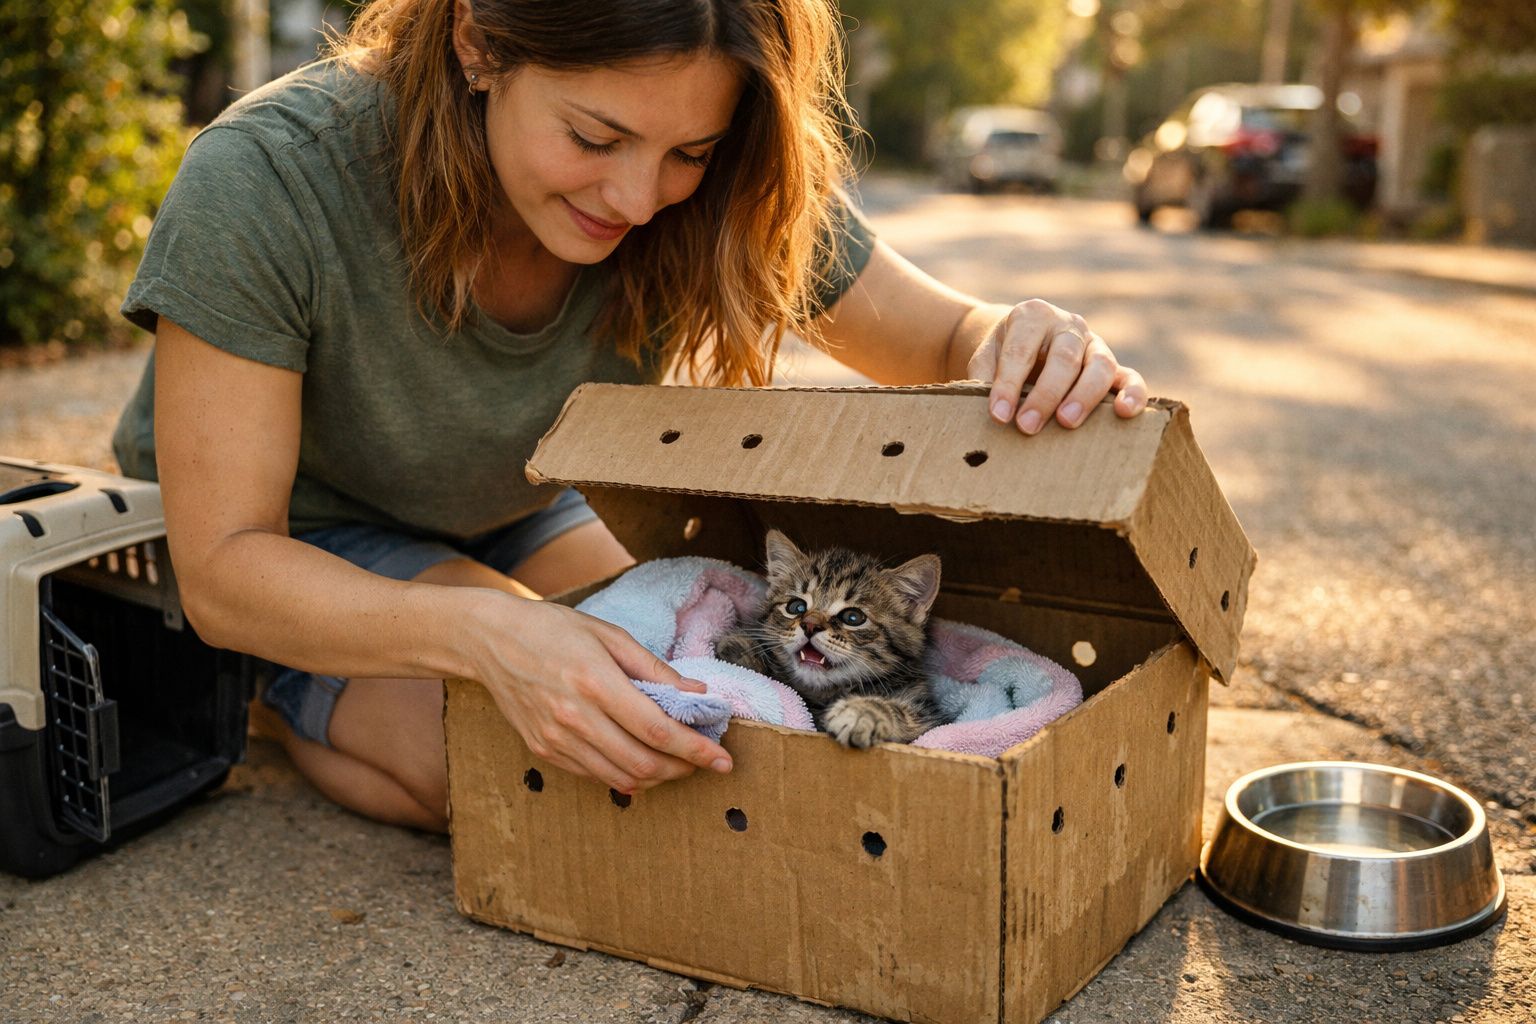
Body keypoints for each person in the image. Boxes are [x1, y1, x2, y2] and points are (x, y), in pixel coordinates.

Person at [113, 0, 1148, 834]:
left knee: (702, 714)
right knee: (510, 769)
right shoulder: (264, 179)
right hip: (300, 539)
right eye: (594, 136)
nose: (639, 197)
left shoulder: (714, 178)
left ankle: (427, 642)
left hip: (513, 500)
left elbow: (941, 338)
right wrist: (495, 633)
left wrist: (1021, 343)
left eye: (688, 151)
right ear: (476, 41)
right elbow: (226, 564)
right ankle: (272, 702)